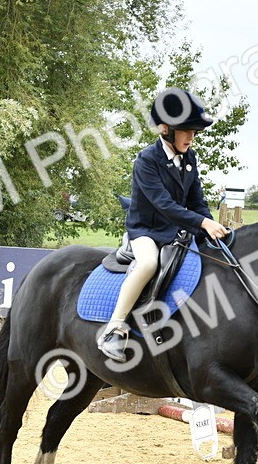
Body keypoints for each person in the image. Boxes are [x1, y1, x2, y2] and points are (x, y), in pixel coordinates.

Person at [98, 88, 230, 360]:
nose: (192, 137)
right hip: (147, 230)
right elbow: (165, 206)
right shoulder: (147, 160)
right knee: (148, 263)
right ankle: (115, 329)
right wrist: (202, 223)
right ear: (165, 128)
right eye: (187, 130)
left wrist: (210, 228)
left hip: (176, 230)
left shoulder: (189, 159)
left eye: (194, 131)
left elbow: (197, 202)